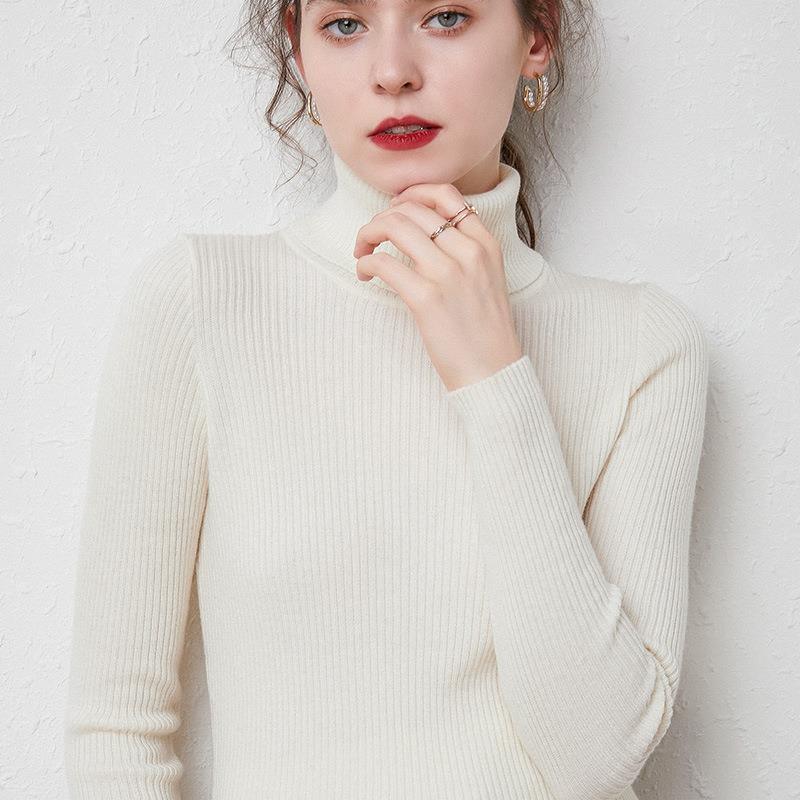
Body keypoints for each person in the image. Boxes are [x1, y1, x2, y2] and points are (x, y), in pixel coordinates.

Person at [63, 0, 710, 797]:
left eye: (444, 16)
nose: (392, 70)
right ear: (298, 51)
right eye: (344, 24)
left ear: (535, 39)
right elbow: (115, 732)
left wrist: (494, 375)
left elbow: (597, 757)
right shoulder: (201, 300)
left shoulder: (645, 342)